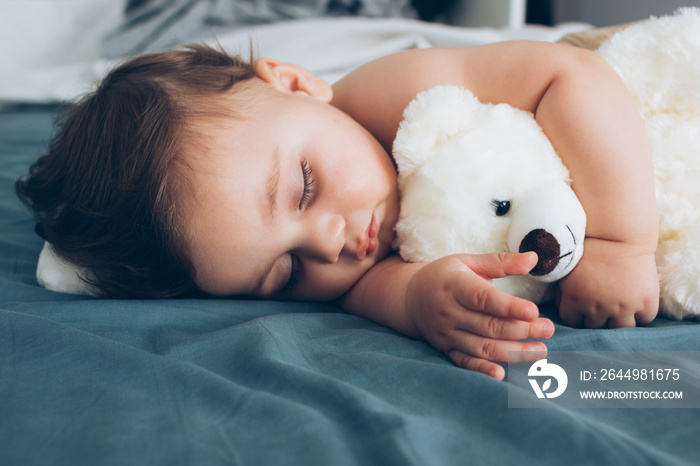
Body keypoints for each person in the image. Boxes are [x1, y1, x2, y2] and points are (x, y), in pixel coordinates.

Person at [16, 41, 660, 380]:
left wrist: (620, 243)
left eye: (302, 186)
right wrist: (419, 301)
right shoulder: (337, 266)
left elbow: (570, 75)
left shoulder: (394, 95)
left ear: (297, 85)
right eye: (285, 272)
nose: (328, 245)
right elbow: (377, 291)